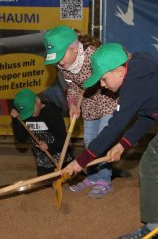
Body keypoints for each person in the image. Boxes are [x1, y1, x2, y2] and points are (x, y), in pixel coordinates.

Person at [61, 43, 158, 239]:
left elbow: (113, 128)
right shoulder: (140, 75)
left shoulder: (132, 86)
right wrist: (122, 145)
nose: (102, 85)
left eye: (103, 79)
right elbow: (148, 116)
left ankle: (154, 230)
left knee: (151, 165)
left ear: (118, 71)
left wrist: (80, 161)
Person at [44, 25, 118, 198]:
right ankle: (92, 177)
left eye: (61, 56)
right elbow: (72, 86)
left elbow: (110, 77)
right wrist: (72, 104)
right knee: (89, 141)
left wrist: (87, 90)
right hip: (89, 104)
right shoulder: (62, 64)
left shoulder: (93, 55)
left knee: (102, 140)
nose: (59, 62)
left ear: (74, 47)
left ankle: (105, 180)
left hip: (108, 97)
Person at [10, 88, 72, 176]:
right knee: (44, 186)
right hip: (42, 165)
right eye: (27, 112)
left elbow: (64, 140)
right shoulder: (25, 116)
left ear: (37, 101)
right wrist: (16, 120)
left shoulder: (52, 113)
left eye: (31, 110)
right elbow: (21, 139)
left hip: (62, 162)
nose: (31, 115)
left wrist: (49, 147)